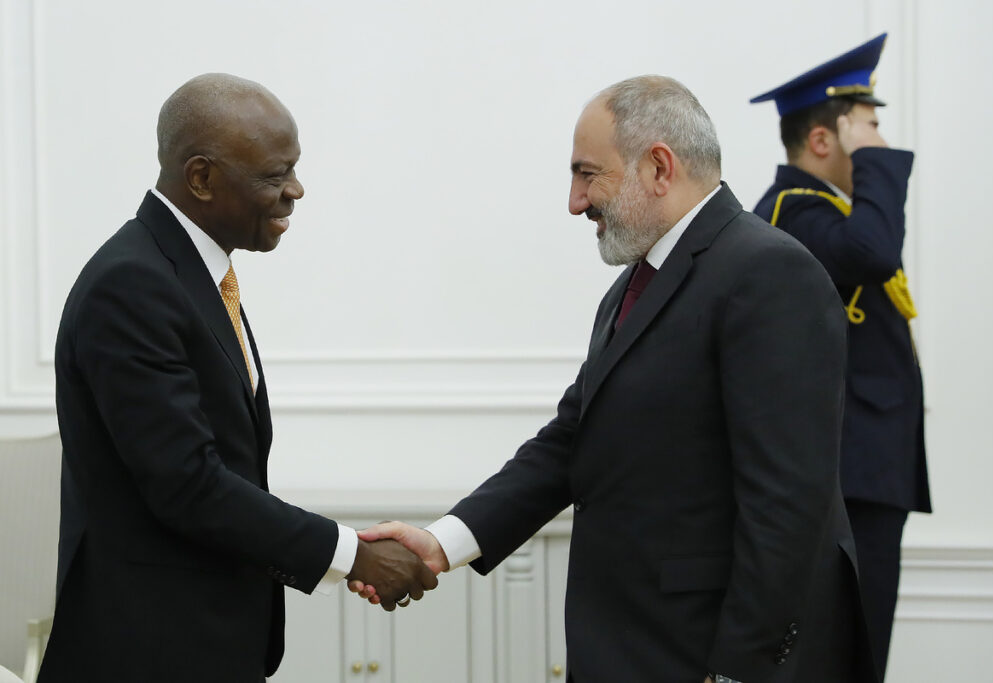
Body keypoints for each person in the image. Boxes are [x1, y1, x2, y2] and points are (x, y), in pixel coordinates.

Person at [350, 75, 876, 682]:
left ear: (658, 167)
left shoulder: (770, 273)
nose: (576, 202)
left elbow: (787, 507)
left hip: (706, 654)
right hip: (632, 644)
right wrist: (444, 543)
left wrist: (740, 671)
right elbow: (572, 440)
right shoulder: (634, 286)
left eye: (587, 174)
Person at [38, 73, 437, 683]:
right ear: (201, 178)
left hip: (201, 641)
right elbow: (188, 484)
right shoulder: (133, 285)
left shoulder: (187, 272)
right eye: (275, 175)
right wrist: (351, 555)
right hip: (148, 650)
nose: (295, 190)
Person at [750, 34, 932, 680]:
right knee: (849, 657)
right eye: (868, 127)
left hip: (861, 469)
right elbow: (874, 252)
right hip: (843, 474)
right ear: (825, 139)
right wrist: (876, 161)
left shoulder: (822, 213)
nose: (879, 141)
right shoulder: (794, 213)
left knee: (860, 649)